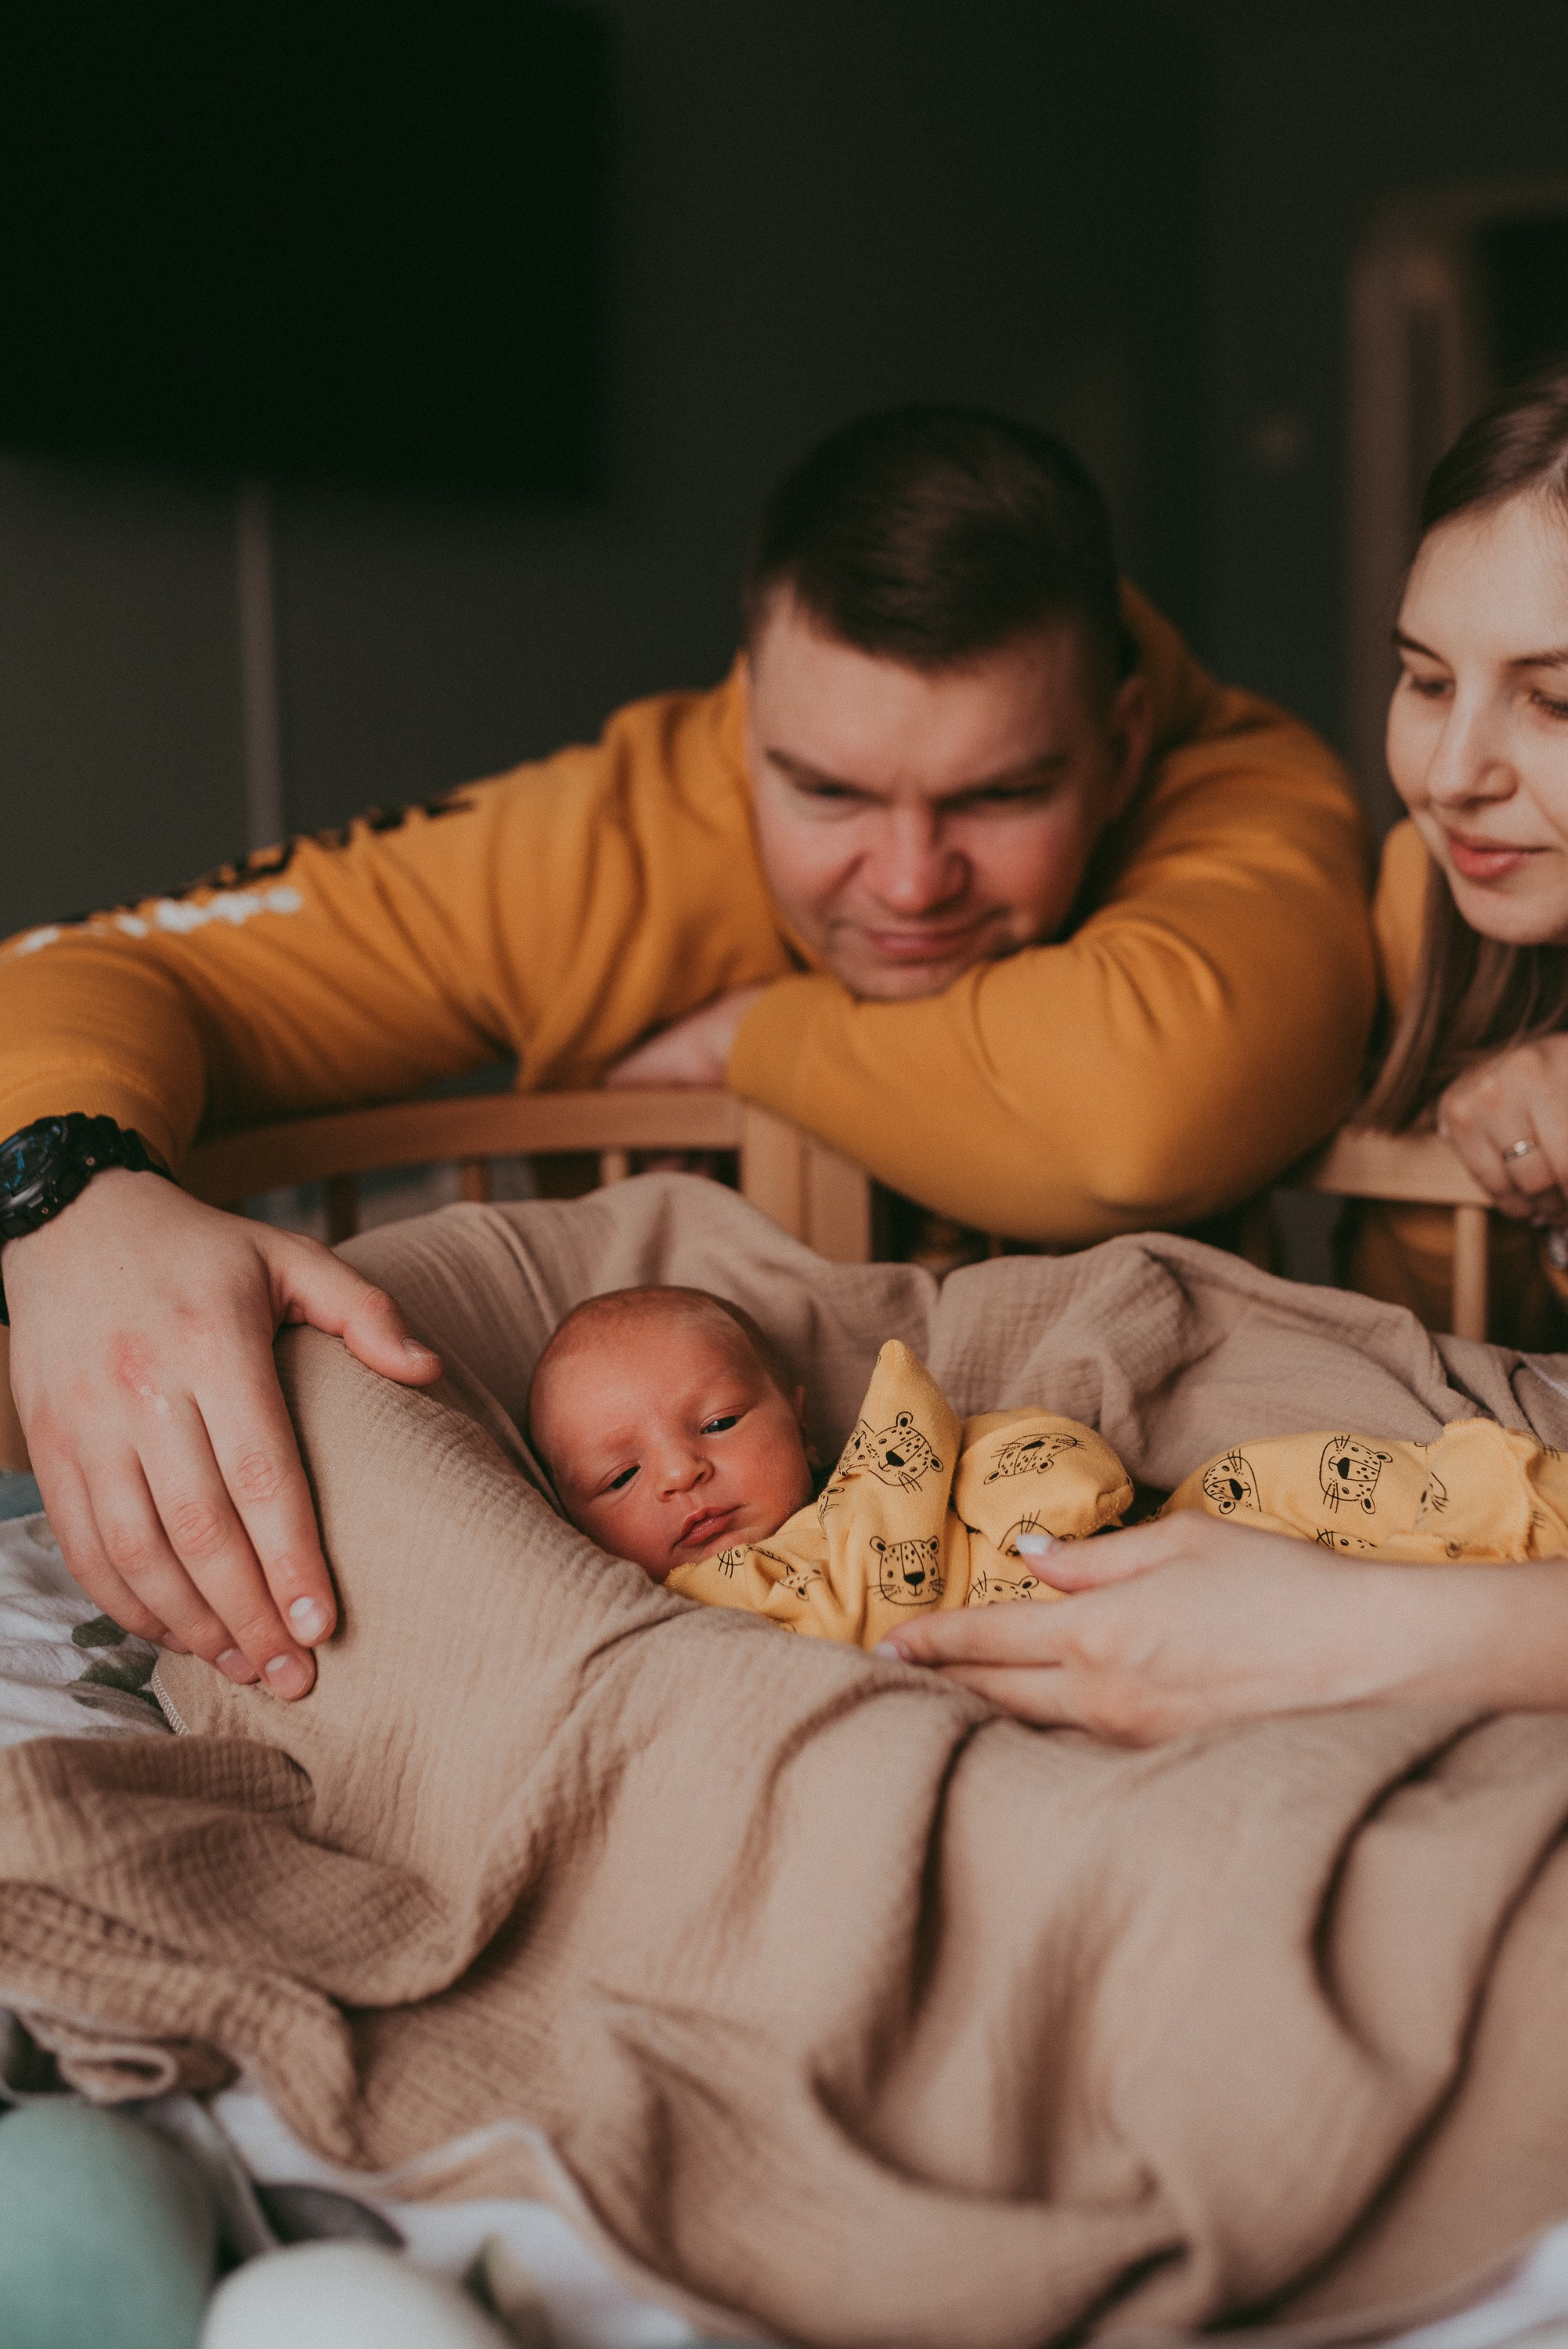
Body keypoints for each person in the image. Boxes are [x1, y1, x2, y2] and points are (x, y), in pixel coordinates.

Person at [0, 406, 1374, 1698]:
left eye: (1002, 794)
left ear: (1119, 745)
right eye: (825, 789)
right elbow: (77, 970)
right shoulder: (617, 837)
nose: (908, 882)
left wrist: (752, 1037)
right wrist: (70, 1196)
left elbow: (1147, 1108)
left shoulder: (1235, 785)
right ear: (746, 719)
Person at [885, 368, 1568, 1741]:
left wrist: (1332, 1629)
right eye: (1427, 679)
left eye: (1558, 703)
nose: (1451, 771)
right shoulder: (1422, 900)